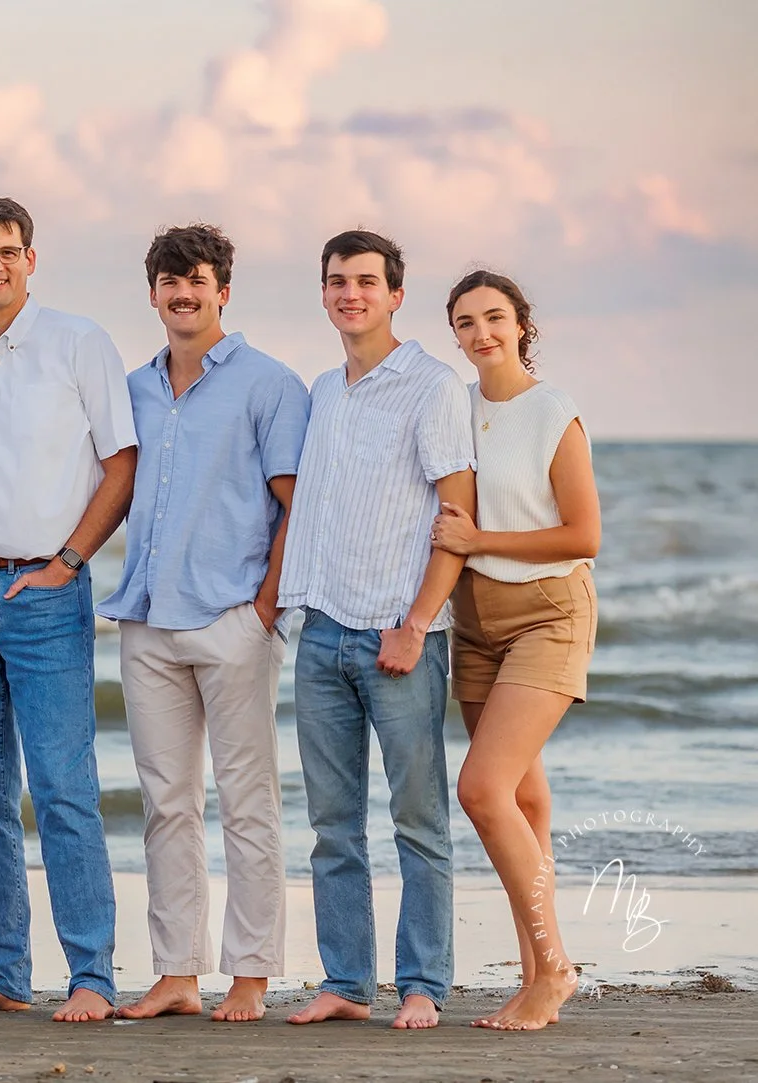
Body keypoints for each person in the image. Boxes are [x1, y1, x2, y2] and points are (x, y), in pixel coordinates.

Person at [0, 195, 138, 1023]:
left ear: (30, 260)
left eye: (9, 250)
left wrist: (69, 561)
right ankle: (3, 969)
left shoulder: (79, 343)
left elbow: (120, 466)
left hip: (44, 592)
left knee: (62, 788)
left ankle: (91, 974)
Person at [99, 224, 310, 1023]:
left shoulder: (269, 384)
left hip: (232, 619)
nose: (183, 293)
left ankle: (252, 973)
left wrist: (264, 608)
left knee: (248, 800)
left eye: (198, 279)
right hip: (147, 620)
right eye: (169, 281)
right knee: (167, 801)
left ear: (224, 288)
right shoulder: (135, 388)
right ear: (152, 292)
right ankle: (177, 972)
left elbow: (295, 504)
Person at [278, 230, 476, 1030]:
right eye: (336, 281)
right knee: (332, 824)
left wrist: (417, 623)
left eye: (365, 281)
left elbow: (456, 519)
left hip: (398, 637)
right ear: (323, 293)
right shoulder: (325, 389)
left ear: (396, 293)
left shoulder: (433, 387)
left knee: (417, 820)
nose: (349, 293)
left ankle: (424, 982)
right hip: (322, 634)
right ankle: (346, 981)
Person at [430, 270, 599, 1031]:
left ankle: (555, 966)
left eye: (494, 317)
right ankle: (537, 970)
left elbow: (583, 533)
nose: (481, 333)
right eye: (465, 323)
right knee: (524, 798)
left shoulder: (551, 410)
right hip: (476, 621)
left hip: (547, 613)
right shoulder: (457, 409)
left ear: (521, 323)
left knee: (481, 788)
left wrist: (479, 539)